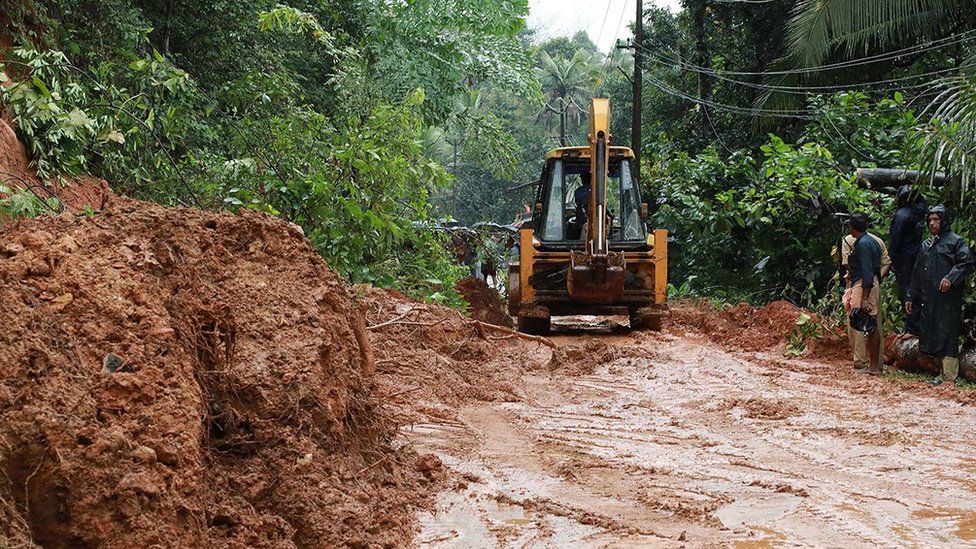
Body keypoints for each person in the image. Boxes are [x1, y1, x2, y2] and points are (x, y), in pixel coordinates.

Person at [906, 204, 974, 386]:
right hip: (929, 298)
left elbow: (966, 262)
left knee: (947, 333)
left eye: (936, 219)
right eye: (930, 220)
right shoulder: (927, 244)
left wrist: (951, 278)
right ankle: (941, 372)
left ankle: (949, 376)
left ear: (944, 221)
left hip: (947, 299)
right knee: (932, 331)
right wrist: (911, 296)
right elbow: (917, 272)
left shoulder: (956, 242)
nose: (932, 223)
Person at [841, 213, 891, 373]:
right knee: (871, 322)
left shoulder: (862, 244)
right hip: (868, 283)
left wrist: (864, 298)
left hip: (863, 285)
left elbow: (867, 272)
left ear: (851, 227)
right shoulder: (872, 241)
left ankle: (870, 364)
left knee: (864, 321)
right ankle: (873, 365)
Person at [888, 186, 927, 335]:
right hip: (917, 256)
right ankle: (916, 325)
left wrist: (890, 258)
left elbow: (895, 239)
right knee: (916, 289)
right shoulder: (919, 213)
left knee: (907, 291)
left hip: (904, 259)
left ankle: (912, 327)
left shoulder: (902, 215)